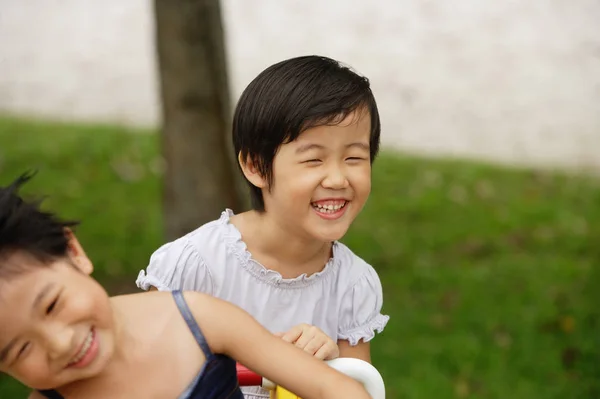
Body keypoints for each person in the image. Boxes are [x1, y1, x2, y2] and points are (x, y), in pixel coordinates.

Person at [136, 55, 390, 398]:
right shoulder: (196, 266)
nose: (337, 178)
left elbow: (361, 388)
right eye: (313, 159)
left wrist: (330, 366)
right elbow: (147, 375)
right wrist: (277, 366)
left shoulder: (353, 285)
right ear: (255, 166)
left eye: (354, 158)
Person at [0, 173, 373, 399]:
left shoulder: (196, 317)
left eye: (51, 306)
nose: (60, 343)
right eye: (19, 349)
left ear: (73, 250)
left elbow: (334, 388)